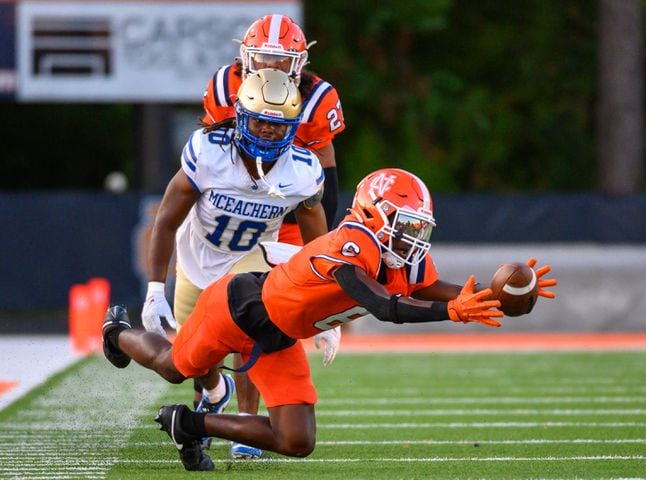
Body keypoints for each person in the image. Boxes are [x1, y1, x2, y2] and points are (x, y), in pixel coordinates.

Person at [103, 167, 557, 472]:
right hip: (237, 309)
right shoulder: (350, 244)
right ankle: (118, 333)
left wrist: (500, 299)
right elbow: (384, 307)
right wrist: (450, 312)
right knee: (174, 366)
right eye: (405, 224)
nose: (413, 236)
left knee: (296, 440)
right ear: (374, 214)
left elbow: (442, 291)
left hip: (279, 335)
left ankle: (190, 425)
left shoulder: (401, 258)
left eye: (419, 227)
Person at [139, 67, 336, 452]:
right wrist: (154, 288)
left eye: (278, 125)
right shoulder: (209, 152)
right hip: (198, 258)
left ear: (294, 126)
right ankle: (215, 390)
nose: (268, 131)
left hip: (253, 257)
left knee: (252, 330)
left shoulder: (302, 171)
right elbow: (165, 221)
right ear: (241, 116)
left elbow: (318, 241)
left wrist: (325, 306)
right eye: (260, 121)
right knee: (191, 359)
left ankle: (246, 420)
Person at [201, 13, 346, 459]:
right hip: (235, 205)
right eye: (264, 57)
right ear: (246, 57)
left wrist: (320, 259)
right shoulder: (226, 87)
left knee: (262, 315)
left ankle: (246, 421)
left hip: (288, 206)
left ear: (300, 64)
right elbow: (209, 153)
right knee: (209, 312)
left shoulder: (317, 98)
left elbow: (326, 180)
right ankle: (210, 394)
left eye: (282, 60)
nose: (272, 67)